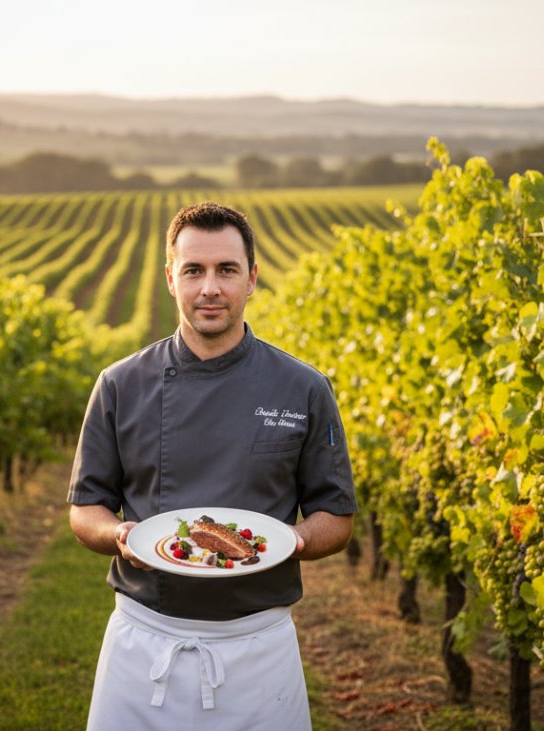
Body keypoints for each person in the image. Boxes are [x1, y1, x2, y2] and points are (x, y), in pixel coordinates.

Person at [67, 201, 357, 730]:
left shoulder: (303, 388)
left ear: (252, 278)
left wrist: (296, 540)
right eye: (193, 271)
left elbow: (335, 517)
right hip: (143, 644)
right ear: (170, 280)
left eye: (226, 270)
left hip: (258, 650)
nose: (210, 288)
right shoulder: (120, 384)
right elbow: (86, 507)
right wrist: (117, 534)